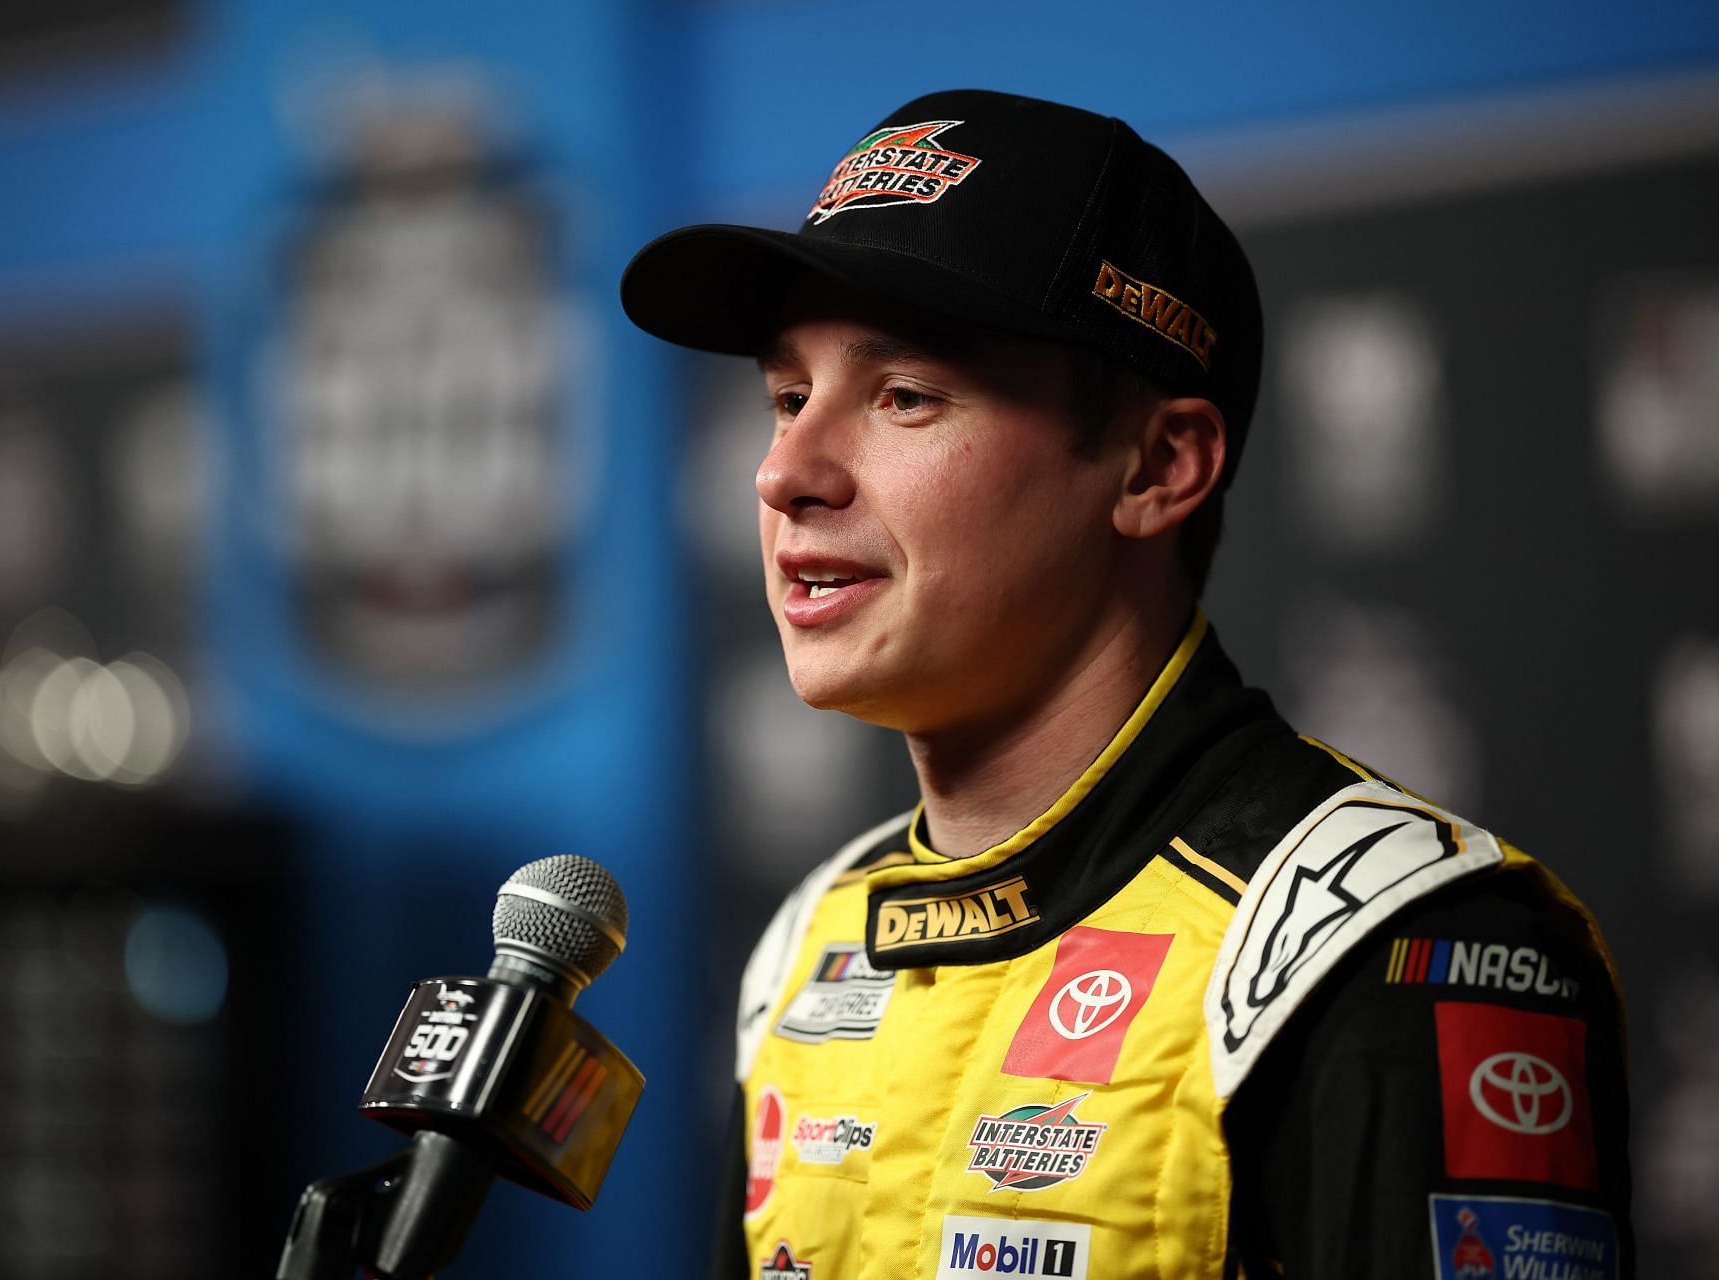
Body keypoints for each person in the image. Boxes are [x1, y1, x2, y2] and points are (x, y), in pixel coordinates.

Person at [619, 90, 1630, 1280]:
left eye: (904, 396)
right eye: (788, 396)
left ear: (1158, 465)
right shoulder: (808, 951)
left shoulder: (1385, 941)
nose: (785, 469)